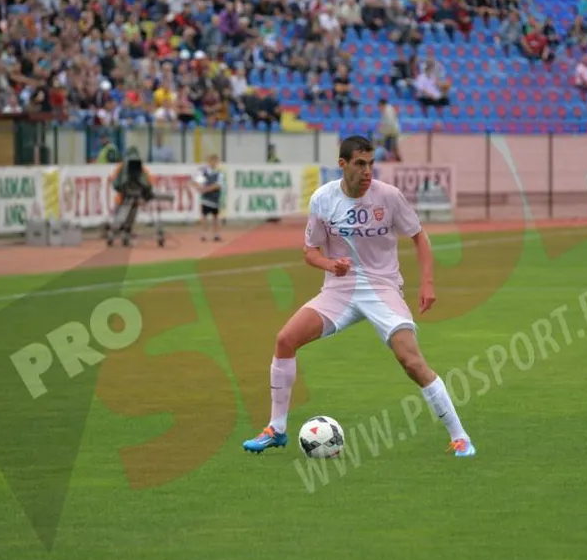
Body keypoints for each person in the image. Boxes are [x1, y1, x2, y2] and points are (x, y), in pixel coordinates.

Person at [242, 136, 476, 458]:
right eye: (360, 164)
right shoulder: (323, 199)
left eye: (371, 164)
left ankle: (460, 437)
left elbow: (419, 238)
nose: (367, 171)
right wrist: (330, 264)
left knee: (411, 361)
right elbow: (310, 251)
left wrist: (428, 284)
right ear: (343, 164)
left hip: (382, 288)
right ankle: (276, 429)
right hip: (339, 291)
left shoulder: (389, 196)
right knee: (285, 340)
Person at [194, 154, 223, 242]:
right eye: (211, 161)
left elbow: (218, 185)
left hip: (214, 198)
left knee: (215, 217)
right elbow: (197, 183)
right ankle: (203, 234)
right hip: (205, 199)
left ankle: (216, 234)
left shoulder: (219, 173)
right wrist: (199, 188)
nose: (213, 163)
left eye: (215, 161)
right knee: (204, 217)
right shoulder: (203, 172)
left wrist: (206, 189)